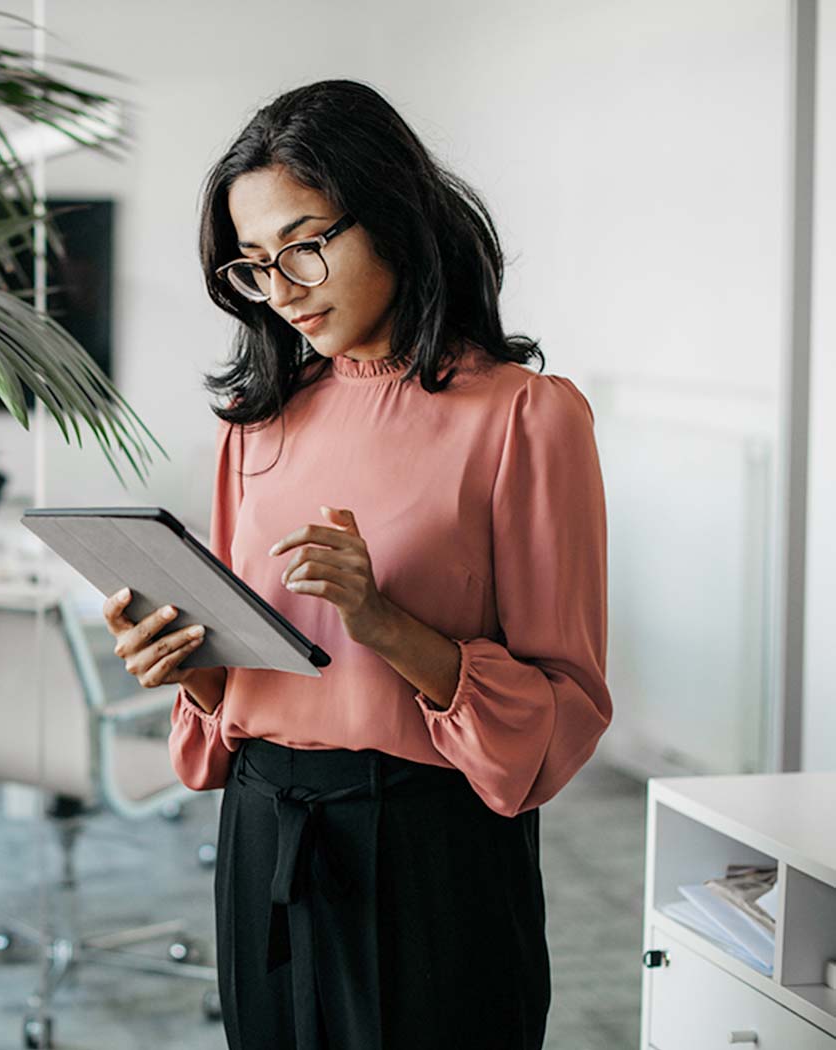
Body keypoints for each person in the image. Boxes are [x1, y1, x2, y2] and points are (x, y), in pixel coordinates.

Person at [101, 78, 612, 1050]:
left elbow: (564, 714)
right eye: (255, 265)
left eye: (305, 244)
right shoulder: (257, 423)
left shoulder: (527, 419)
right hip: (263, 834)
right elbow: (251, 680)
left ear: (390, 215)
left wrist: (387, 624)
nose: (283, 286)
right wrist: (192, 670)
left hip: (431, 852)